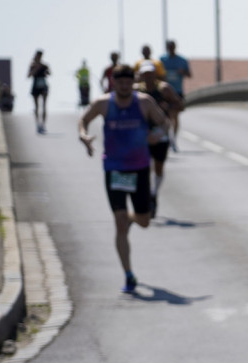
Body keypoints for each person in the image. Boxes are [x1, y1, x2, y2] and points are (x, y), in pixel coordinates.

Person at [78, 64, 169, 294]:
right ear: (114, 83)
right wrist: (84, 137)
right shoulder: (103, 103)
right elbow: (83, 121)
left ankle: (131, 217)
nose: (125, 86)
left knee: (145, 222)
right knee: (118, 223)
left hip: (139, 169)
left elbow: (164, 123)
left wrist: (155, 135)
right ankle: (128, 275)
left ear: (133, 82)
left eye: (129, 82)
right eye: (120, 83)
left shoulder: (145, 102)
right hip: (115, 170)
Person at [136, 61, 182, 218]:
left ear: (155, 74)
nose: (148, 77)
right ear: (141, 75)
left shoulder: (164, 89)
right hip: (141, 135)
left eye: (150, 73)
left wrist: (168, 107)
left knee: (159, 167)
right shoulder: (136, 91)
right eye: (145, 74)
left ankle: (154, 193)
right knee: (143, 167)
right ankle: (148, 195)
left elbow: (180, 105)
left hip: (160, 134)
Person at [159, 39, 192, 150]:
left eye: (173, 46)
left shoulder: (182, 60)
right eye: (169, 47)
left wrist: (183, 72)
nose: (171, 49)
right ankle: (167, 137)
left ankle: (174, 139)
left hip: (177, 92)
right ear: (167, 48)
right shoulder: (162, 60)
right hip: (164, 92)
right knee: (166, 117)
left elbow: (189, 74)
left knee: (175, 116)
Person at [27, 50, 50, 133]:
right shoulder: (32, 65)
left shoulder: (44, 65)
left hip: (43, 85)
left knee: (44, 105)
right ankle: (37, 124)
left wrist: (45, 70)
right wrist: (36, 69)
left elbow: (49, 73)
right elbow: (28, 76)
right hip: (35, 86)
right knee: (36, 106)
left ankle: (43, 125)